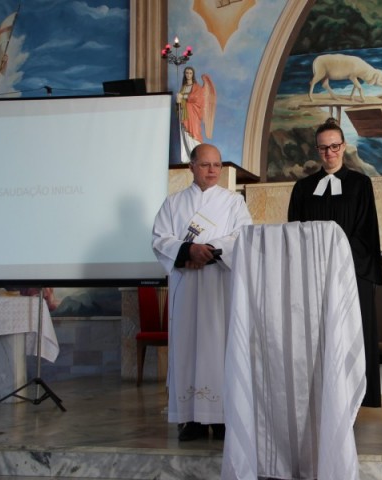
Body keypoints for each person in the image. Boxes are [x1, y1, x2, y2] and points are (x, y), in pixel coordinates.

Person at [152, 143, 252, 441]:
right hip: (186, 286)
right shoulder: (173, 203)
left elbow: (243, 236)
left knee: (219, 345)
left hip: (219, 286)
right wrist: (187, 251)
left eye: (217, 165)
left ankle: (221, 417)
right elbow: (160, 239)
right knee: (188, 346)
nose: (212, 170)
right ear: (191, 167)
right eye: (206, 164)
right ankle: (191, 419)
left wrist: (209, 251)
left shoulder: (234, 203)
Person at [287, 118, 382, 408]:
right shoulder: (303, 188)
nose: (329, 153)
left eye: (334, 146)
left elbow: (367, 232)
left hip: (351, 275)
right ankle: (319, 397)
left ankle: (356, 396)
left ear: (343, 147)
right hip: (314, 276)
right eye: (323, 148)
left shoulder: (360, 184)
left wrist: (339, 259)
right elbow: (295, 232)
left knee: (351, 335)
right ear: (317, 151)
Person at [176, 66, 216, 163]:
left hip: (193, 115)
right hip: (183, 114)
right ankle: (187, 158)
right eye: (186, 73)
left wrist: (183, 97)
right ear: (184, 75)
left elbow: (198, 100)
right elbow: (179, 102)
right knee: (184, 134)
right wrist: (178, 101)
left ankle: (197, 158)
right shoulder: (183, 87)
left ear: (193, 74)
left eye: (190, 73)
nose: (188, 75)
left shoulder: (197, 87)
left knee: (194, 134)